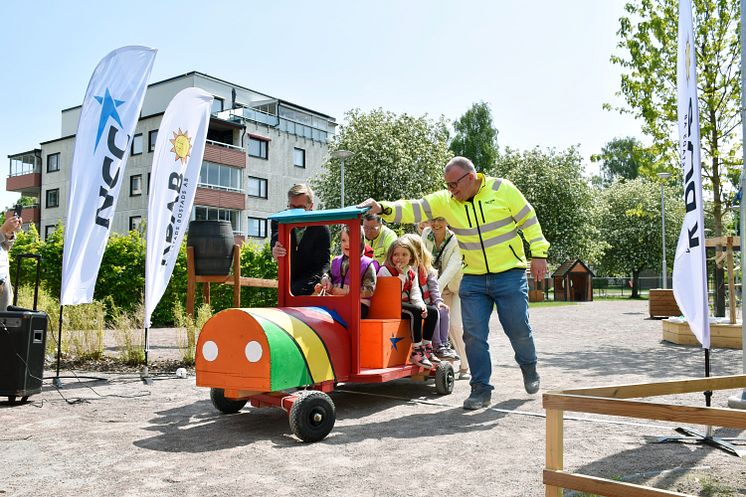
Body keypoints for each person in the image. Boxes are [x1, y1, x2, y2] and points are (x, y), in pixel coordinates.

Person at [359, 156, 549, 410]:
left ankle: (529, 366)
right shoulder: (447, 201)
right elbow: (415, 207)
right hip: (473, 278)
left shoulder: (502, 189)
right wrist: (381, 207)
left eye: (454, 185)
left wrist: (539, 253)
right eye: (447, 185)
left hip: (509, 274)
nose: (451, 190)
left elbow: (529, 220)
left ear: (470, 177)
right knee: (472, 335)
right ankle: (480, 389)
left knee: (518, 329)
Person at [377, 238, 439, 368]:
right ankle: (416, 350)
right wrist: (400, 275)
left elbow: (415, 292)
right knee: (414, 312)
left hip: (404, 305)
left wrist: (422, 306)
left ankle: (426, 346)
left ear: (411, 256)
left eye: (404, 254)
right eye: (396, 254)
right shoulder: (385, 271)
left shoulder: (411, 272)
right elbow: (393, 294)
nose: (400, 258)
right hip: (389, 306)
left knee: (432, 311)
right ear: (390, 256)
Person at [422, 217, 470, 380]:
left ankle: (465, 366)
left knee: (455, 326)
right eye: (433, 219)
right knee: (431, 322)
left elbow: (453, 267)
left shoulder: (456, 240)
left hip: (452, 287)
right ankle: (434, 364)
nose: (435, 224)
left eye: (440, 220)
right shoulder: (426, 234)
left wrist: (435, 290)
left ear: (447, 221)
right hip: (435, 287)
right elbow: (424, 261)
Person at [401, 233, 459, 363]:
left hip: (428, 302)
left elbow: (434, 287)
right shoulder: (407, 270)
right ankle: (436, 345)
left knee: (443, 311)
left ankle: (444, 344)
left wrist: (438, 301)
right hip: (415, 304)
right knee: (434, 312)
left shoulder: (426, 269)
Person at [270, 184, 331, 296]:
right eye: (292, 207)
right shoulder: (279, 220)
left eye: (301, 208)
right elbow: (275, 241)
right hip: (287, 282)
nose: (296, 213)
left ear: (311, 206)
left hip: (311, 284)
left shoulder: (321, 228)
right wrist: (275, 250)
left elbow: (324, 263)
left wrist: (324, 277)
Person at [316, 225, 378, 318]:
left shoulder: (367, 264)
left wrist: (345, 292)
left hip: (358, 305)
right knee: (316, 312)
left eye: (351, 240)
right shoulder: (336, 261)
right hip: (336, 302)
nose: (347, 244)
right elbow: (329, 276)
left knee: (335, 315)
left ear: (360, 242)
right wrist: (325, 282)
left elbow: (369, 290)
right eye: (344, 240)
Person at [0, 212, 22, 310]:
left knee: (5, 321)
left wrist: (9, 232)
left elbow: (5, 248)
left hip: (4, 283)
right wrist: (3, 229)